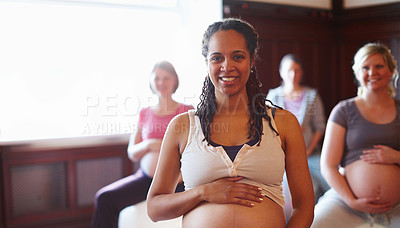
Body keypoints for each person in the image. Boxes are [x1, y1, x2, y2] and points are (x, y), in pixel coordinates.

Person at [147, 18, 314, 228]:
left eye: (238, 57)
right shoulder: (182, 126)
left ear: (251, 60)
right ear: (207, 62)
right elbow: (154, 208)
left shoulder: (284, 123)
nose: (227, 66)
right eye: (217, 58)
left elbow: (304, 206)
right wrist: (203, 192)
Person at [92, 60, 193, 228]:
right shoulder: (144, 113)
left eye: (166, 78)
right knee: (104, 198)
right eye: (157, 78)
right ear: (151, 83)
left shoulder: (187, 111)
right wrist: (149, 145)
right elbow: (132, 152)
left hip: (177, 183)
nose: (161, 83)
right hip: (146, 180)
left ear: (174, 80)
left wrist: (160, 146)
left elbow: (194, 150)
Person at [312, 43, 400, 228]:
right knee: (315, 224)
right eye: (365, 67)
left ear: (391, 71)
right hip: (346, 203)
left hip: (396, 206)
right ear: (357, 73)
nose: (372, 72)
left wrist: (395, 156)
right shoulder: (343, 110)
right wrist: (351, 201)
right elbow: (328, 165)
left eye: (379, 66)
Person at [267, 54, 329, 220]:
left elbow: (320, 127)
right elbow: (266, 128)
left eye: (296, 71)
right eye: (289, 71)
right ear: (281, 72)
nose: (293, 75)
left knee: (329, 182)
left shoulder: (312, 96)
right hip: (281, 156)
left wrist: (308, 150)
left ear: (301, 73)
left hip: (310, 153)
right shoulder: (273, 96)